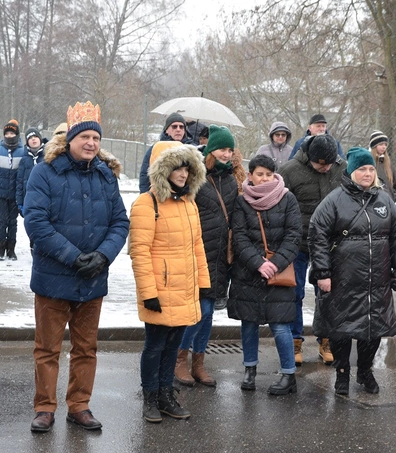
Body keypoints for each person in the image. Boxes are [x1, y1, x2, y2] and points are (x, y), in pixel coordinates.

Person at [24, 102, 129, 432]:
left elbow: (119, 222)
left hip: (93, 279)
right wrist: (73, 257)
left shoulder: (105, 175)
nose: (91, 144)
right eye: (84, 136)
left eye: (95, 138)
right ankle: (45, 407)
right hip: (54, 278)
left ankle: (79, 405)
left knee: (86, 348)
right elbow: (36, 222)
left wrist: (103, 256)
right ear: (69, 139)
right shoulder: (45, 172)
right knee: (47, 349)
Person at [309, 147, 396, 395]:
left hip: (377, 280)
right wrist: (323, 273)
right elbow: (317, 235)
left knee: (372, 329)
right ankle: (342, 374)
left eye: (371, 169)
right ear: (351, 172)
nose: (367, 173)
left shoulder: (384, 200)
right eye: (362, 169)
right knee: (341, 329)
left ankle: (365, 371)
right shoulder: (333, 201)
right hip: (344, 279)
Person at [129, 141, 210, 422]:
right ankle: (150, 396)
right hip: (160, 289)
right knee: (155, 345)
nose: (182, 173)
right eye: (176, 167)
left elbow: (197, 245)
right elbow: (139, 251)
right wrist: (148, 292)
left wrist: (203, 282)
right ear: (163, 171)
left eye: (187, 168)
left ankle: (166, 394)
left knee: (173, 346)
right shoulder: (146, 203)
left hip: (185, 288)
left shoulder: (189, 204)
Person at [174, 125, 243, 388]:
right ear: (211, 149)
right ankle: (179, 359)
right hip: (199, 253)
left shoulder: (234, 178)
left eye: (230, 149)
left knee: (209, 312)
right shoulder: (196, 175)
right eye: (223, 148)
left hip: (222, 257)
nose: (227, 154)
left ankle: (199, 363)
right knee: (200, 311)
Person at [229, 155, 301, 394]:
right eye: (260, 174)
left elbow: (294, 236)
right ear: (250, 176)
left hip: (279, 274)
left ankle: (288, 374)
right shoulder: (242, 202)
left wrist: (275, 263)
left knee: (281, 326)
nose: (265, 178)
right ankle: (250, 369)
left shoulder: (288, 198)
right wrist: (258, 263)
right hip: (248, 272)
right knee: (249, 323)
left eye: (269, 174)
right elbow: (238, 237)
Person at [280, 134, 346, 365]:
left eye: (329, 163)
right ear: (310, 158)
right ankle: (295, 341)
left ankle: (325, 340)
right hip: (297, 243)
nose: (325, 168)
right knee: (294, 293)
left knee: (326, 294)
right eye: (321, 164)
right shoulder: (289, 170)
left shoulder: (340, 168)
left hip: (329, 244)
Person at [0, 119, 24, 261]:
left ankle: (11, 249)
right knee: (2, 221)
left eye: (12, 133)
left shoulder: (22, 152)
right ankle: (0, 248)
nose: (9, 135)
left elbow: (24, 174)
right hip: (1, 194)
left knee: (13, 222)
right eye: (7, 133)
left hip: (15, 194)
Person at [139, 112, 193, 193]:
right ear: (167, 130)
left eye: (181, 127)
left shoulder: (191, 149)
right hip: (161, 196)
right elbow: (145, 175)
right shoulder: (156, 148)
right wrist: (146, 196)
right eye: (174, 126)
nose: (178, 129)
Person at [16, 127, 45, 216]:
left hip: (45, 199)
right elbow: (19, 182)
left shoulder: (47, 157)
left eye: (35, 136)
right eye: (30, 138)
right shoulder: (24, 160)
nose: (33, 139)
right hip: (28, 199)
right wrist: (20, 202)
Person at [369, 130, 396, 201]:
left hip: (388, 201)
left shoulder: (388, 163)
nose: (384, 147)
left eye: (385, 145)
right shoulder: (369, 162)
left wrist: (392, 197)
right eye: (381, 144)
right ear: (374, 146)